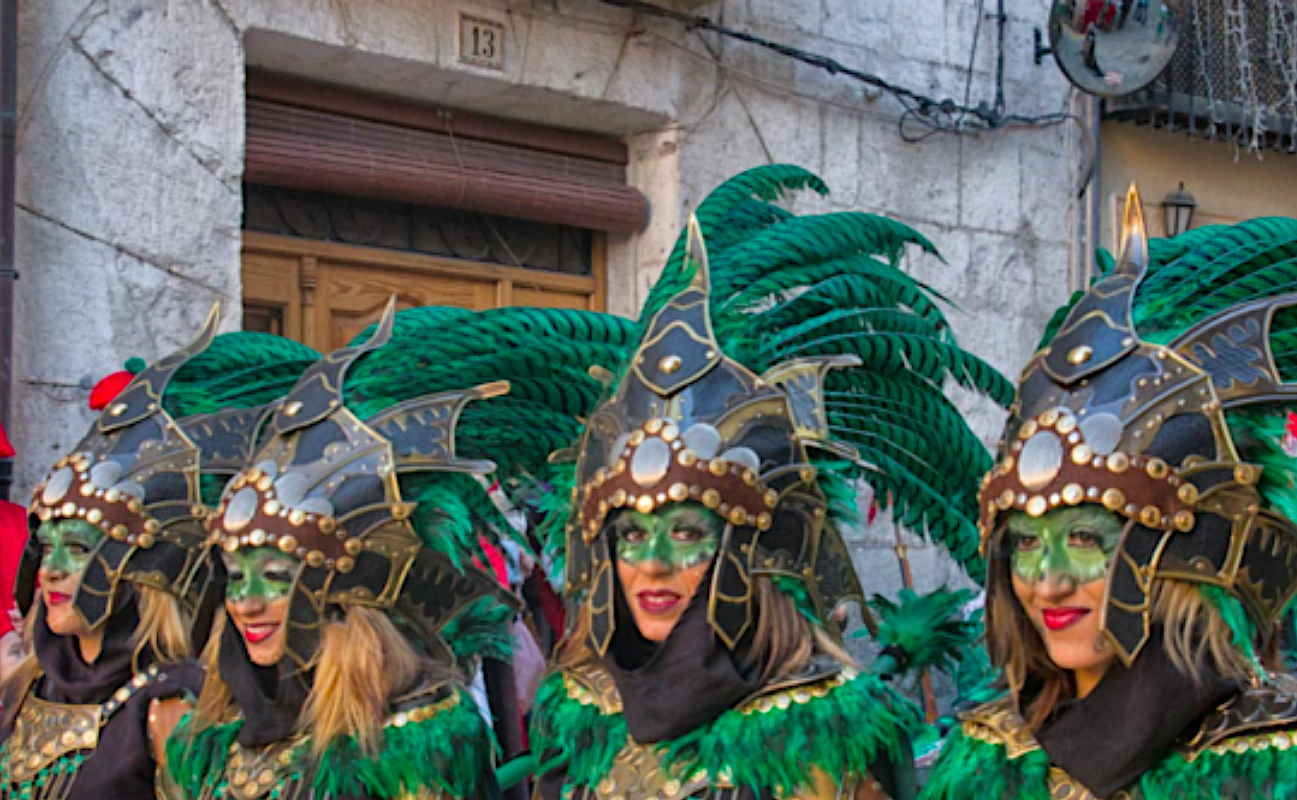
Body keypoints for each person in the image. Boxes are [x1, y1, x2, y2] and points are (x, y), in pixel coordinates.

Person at [527, 165, 1011, 800]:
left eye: (687, 531)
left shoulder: (822, 732)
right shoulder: (585, 708)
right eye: (633, 535)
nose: (653, 564)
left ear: (752, 548)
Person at [921, 190, 1297, 799]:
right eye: (1025, 544)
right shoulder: (987, 753)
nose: (1047, 582)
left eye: (1086, 538)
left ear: (1190, 549)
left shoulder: (1270, 763)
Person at [167, 301, 525, 800]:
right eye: (234, 575)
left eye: (274, 576)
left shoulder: (411, 735)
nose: (245, 602)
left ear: (336, 588)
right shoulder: (210, 736)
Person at [0, 307, 318, 800]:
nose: (53, 571)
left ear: (136, 566)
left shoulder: (170, 702)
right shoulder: (22, 689)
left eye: (80, 550)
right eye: (47, 549)